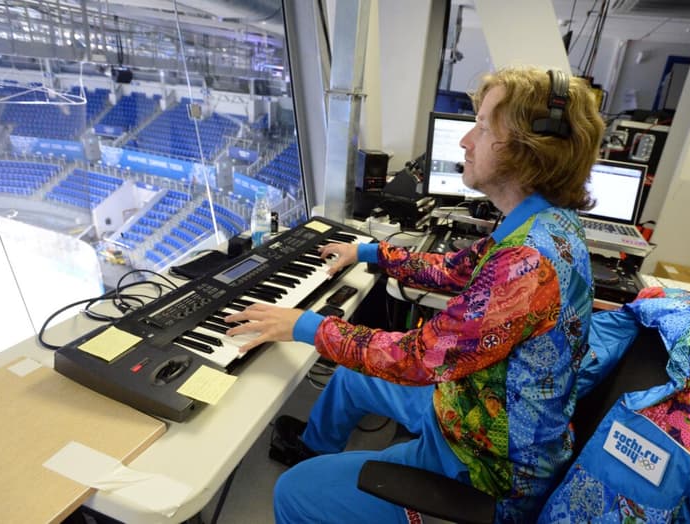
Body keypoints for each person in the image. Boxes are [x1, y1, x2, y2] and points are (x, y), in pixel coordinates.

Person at [223, 66, 605, 523]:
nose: (466, 140)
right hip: (477, 411)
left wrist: (303, 325)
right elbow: (454, 268)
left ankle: (321, 488)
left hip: (484, 468)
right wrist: (367, 252)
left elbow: (419, 357)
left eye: (482, 127)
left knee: (293, 494)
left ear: (528, 149)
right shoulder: (541, 225)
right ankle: (313, 454)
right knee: (350, 378)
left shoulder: (528, 263)